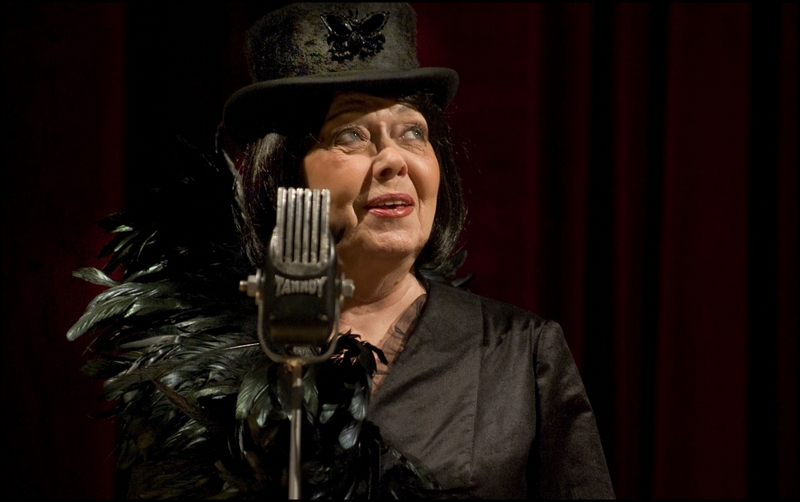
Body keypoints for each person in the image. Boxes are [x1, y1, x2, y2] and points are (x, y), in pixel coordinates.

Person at [69, 3, 615, 499]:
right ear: (285, 174)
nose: (394, 160)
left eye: (413, 132)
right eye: (351, 134)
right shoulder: (196, 371)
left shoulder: (522, 356)